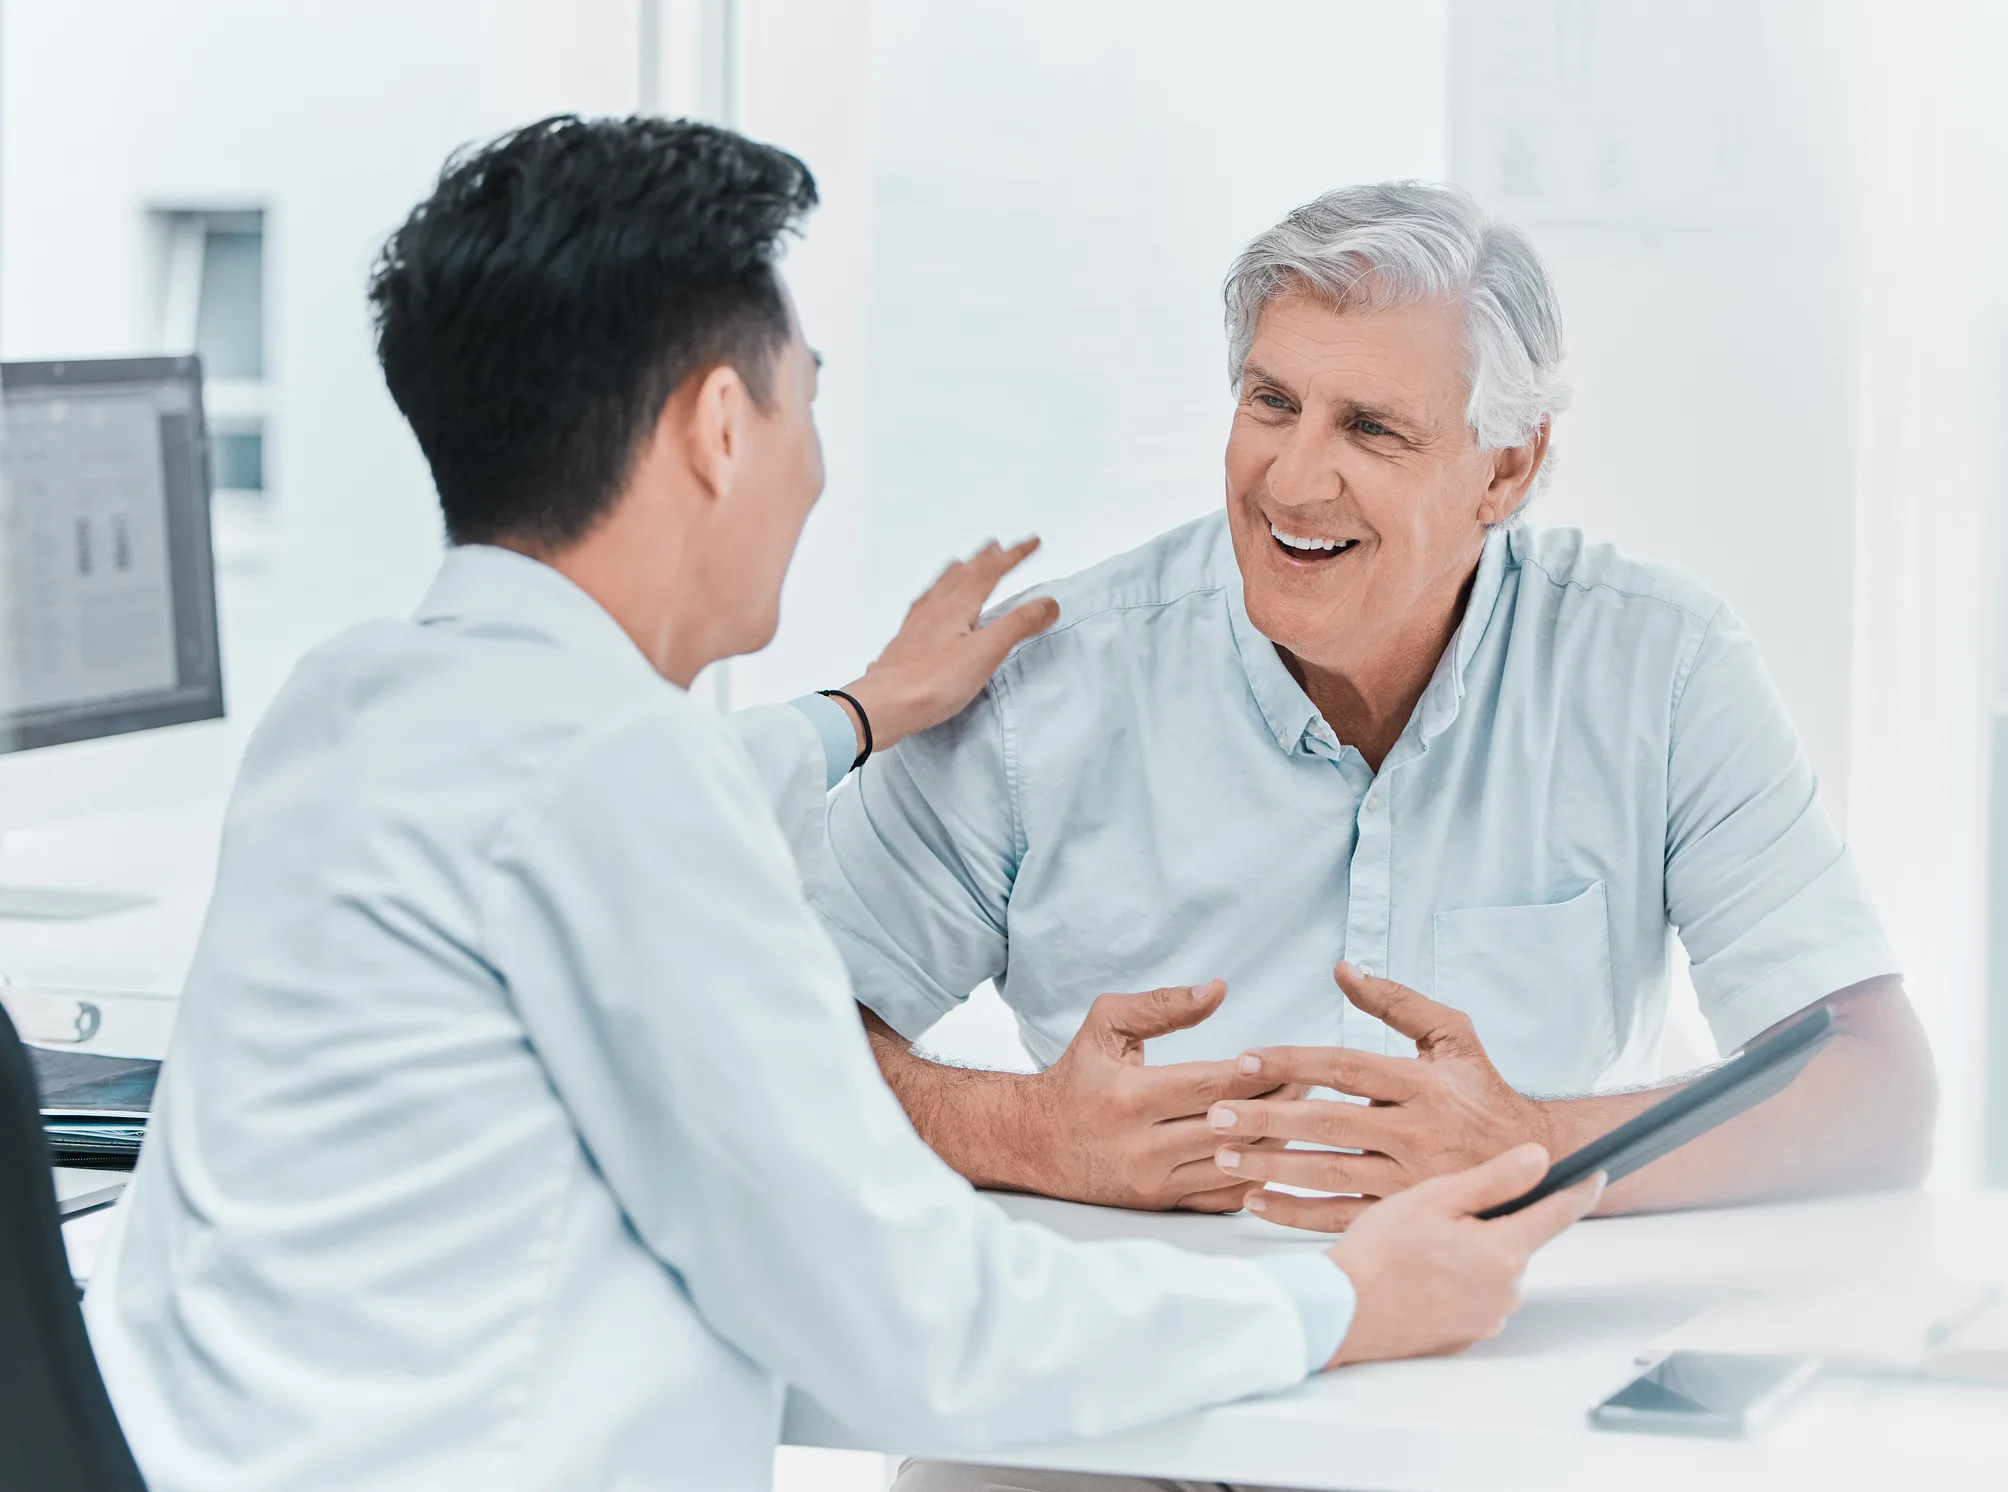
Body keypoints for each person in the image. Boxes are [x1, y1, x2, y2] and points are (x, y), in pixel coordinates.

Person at [79, 120, 1600, 1492]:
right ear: (716, 431)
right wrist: (1349, 1298)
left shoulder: (350, 703)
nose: (817, 469)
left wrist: (862, 714)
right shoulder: (618, 786)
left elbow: (584, 804)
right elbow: (917, 1324)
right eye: (807, 401)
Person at [815, 182, 1937, 1232]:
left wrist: (1532, 1148)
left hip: (1504, 1381)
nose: (1292, 481)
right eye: (1272, 402)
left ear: (1504, 470)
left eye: (1370, 428)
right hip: (1114, 1401)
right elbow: (767, 1039)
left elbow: (1874, 1087)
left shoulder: (1658, 667)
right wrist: (1030, 1133)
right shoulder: (1041, 681)